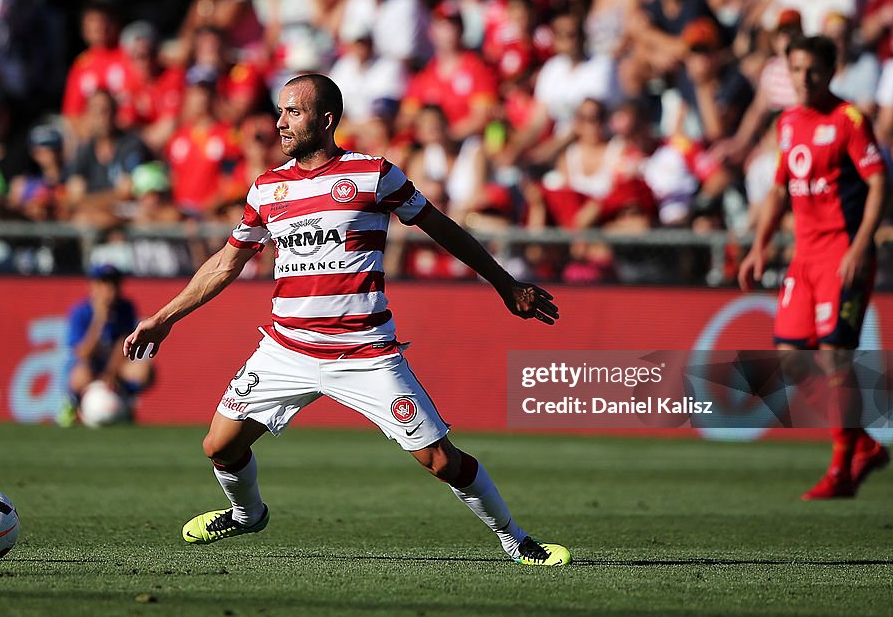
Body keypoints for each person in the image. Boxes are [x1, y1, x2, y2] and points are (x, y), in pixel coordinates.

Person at [123, 74, 571, 566]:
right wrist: (165, 317)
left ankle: (516, 539)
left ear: (326, 118)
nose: (281, 122)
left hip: (367, 352)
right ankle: (247, 514)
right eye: (280, 111)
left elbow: (441, 227)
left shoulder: (375, 174)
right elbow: (226, 263)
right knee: (219, 446)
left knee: (441, 460)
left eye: (293, 112)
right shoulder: (267, 188)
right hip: (285, 350)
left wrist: (505, 283)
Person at [738, 35, 892, 500]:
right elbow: (780, 191)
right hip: (803, 258)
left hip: (841, 256)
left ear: (831, 70)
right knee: (791, 357)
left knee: (835, 358)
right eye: (797, 70)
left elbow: (879, 184)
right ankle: (861, 442)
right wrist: (760, 245)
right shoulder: (787, 123)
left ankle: (841, 469)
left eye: (814, 71)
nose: (805, 79)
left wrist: (861, 246)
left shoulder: (848, 120)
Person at [64, 263, 152, 425]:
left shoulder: (125, 308)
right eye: (104, 283)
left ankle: (125, 402)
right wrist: (99, 320)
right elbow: (82, 353)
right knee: (79, 374)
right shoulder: (80, 312)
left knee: (144, 370)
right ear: (93, 286)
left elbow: (124, 343)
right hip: (91, 365)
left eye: (114, 283)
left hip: (114, 366)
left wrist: (110, 373)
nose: (110, 289)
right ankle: (73, 405)